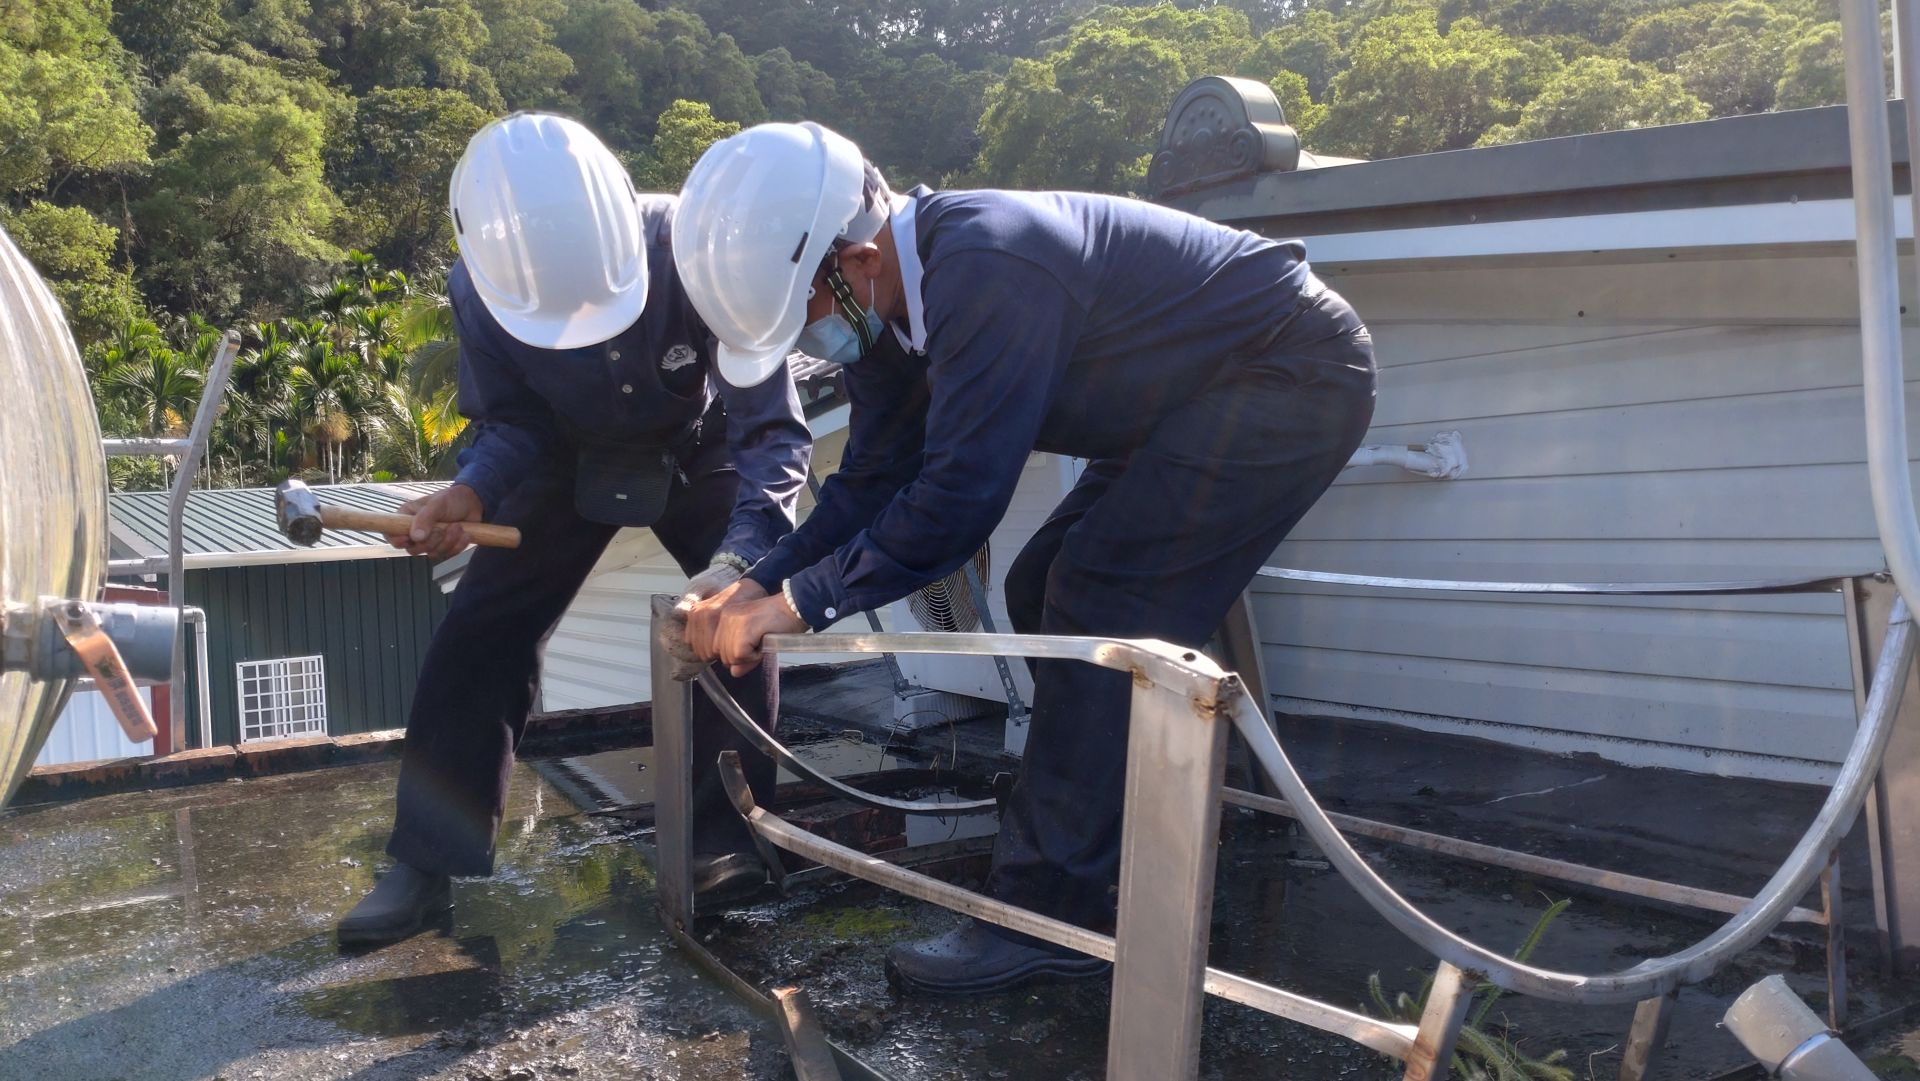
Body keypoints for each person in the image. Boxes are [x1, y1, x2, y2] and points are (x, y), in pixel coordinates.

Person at [674, 121, 1376, 994]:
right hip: (1181, 401)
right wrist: (759, 579)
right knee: (1041, 584)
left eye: (806, 318)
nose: (812, 340)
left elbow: (960, 498)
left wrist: (797, 606)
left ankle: (1054, 915)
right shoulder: (890, 314)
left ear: (853, 264)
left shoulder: (989, 264)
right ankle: (1133, 826)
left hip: (1289, 374)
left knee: (1100, 596)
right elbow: (870, 479)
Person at [335, 112, 811, 945]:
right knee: (483, 627)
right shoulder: (479, 285)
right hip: (564, 454)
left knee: (739, 619)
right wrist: (472, 491)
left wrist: (743, 561)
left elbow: (770, 430)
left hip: (704, 445)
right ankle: (424, 861)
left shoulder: (698, 246)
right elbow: (512, 422)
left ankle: (729, 844)